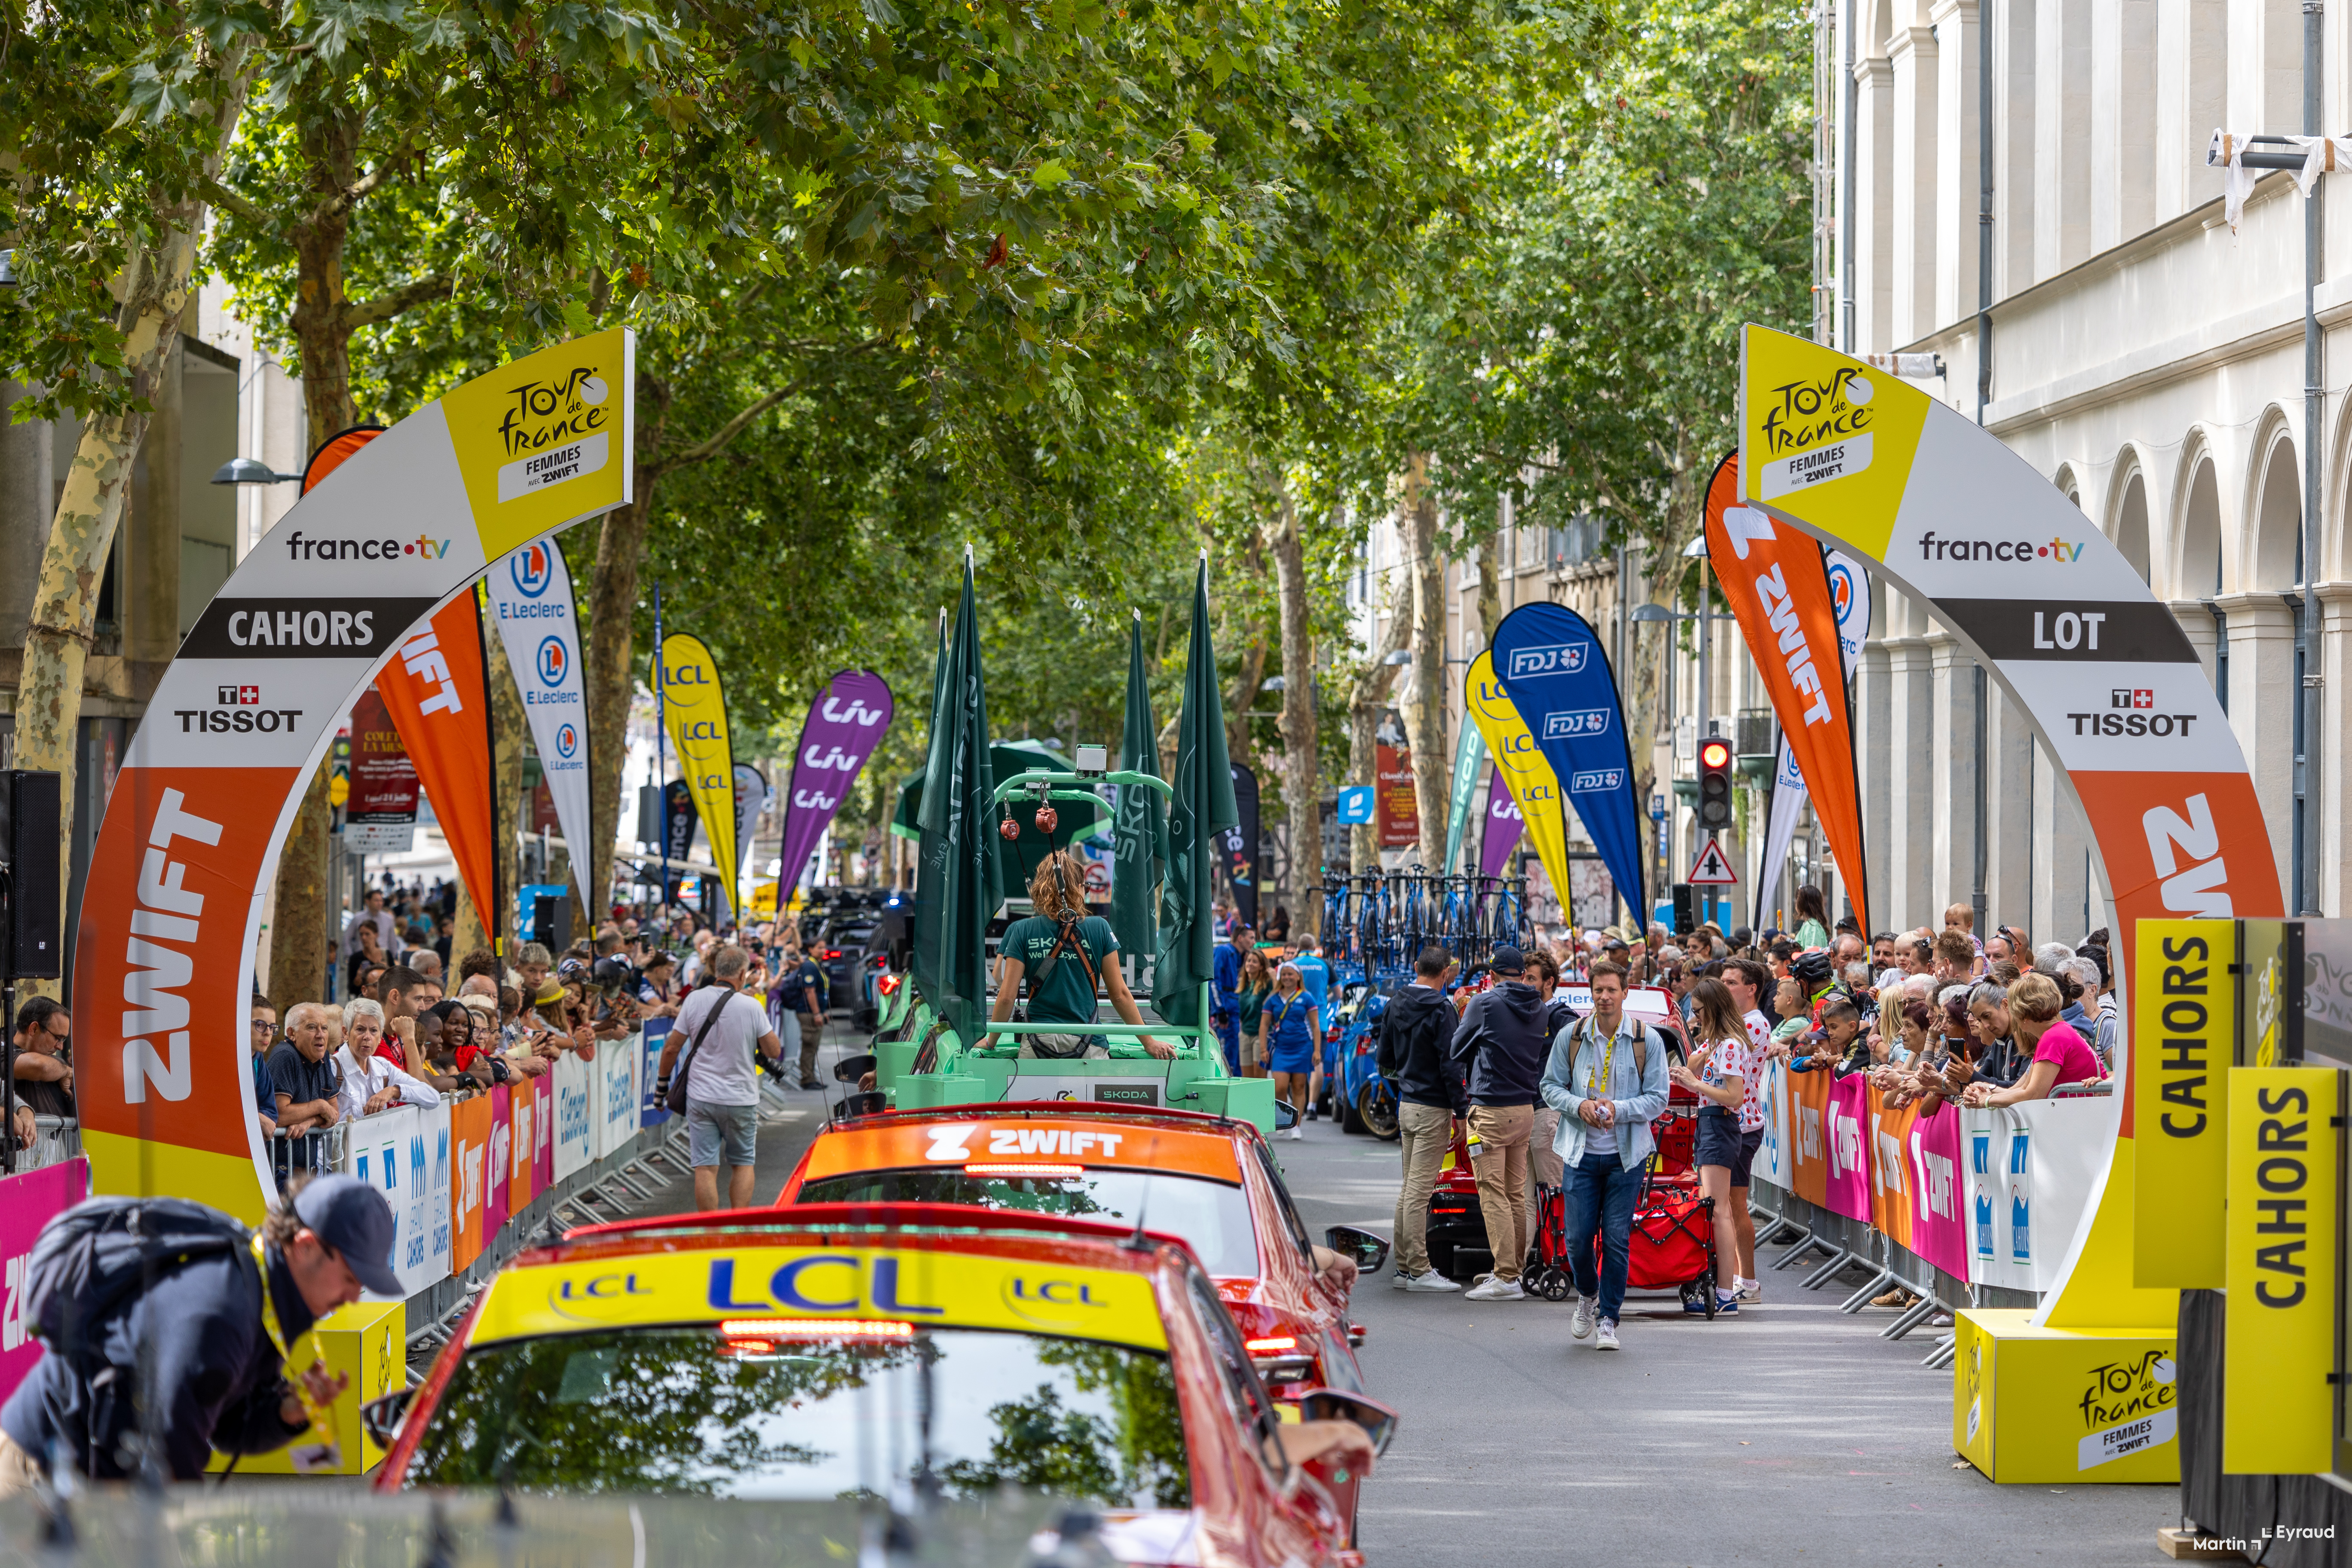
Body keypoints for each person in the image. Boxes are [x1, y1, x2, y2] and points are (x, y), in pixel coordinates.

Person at [0, 1173, 396, 1488]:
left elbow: (227, 1427)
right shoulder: (223, 1311)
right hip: (41, 1471)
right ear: (306, 1245)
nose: (352, 1298)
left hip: (96, 1478)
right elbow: (171, 1452)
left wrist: (284, 1413)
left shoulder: (264, 1293)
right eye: (349, 1277)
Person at [1541, 962, 1670, 1350]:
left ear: (1624, 992)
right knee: (1578, 1240)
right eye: (1598, 990)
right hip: (1580, 1154)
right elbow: (1549, 1086)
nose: (1604, 997)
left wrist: (1619, 1109)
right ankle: (1587, 1295)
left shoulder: (1646, 1040)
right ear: (1591, 993)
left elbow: (1658, 1098)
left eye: (1611, 990)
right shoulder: (1573, 1035)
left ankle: (1609, 1318)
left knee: (1616, 1239)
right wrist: (1579, 1105)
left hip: (1626, 1156)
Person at [983, 852, 1172, 1060]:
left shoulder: (1022, 930)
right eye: (1086, 887)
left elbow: (1006, 997)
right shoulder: (1100, 928)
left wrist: (990, 1042)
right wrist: (1149, 1042)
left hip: (1037, 1044)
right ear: (1077, 889)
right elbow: (1119, 994)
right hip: (1090, 1044)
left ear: (1041, 888)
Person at [1449, 946, 1553, 1302]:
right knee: (1514, 1194)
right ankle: (1514, 1272)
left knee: (1493, 1193)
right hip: (1524, 1108)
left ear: (1493, 975)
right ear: (1523, 974)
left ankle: (1506, 1277)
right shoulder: (1540, 1008)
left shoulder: (1485, 1004)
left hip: (1491, 1108)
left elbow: (1456, 1049)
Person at [657, 943, 785, 1211]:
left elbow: (672, 1047)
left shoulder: (693, 999)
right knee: (742, 1164)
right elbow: (774, 1051)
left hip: (702, 1097)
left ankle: (711, 1231)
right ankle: (738, 1225)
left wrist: (661, 1087)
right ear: (742, 973)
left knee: (705, 1167)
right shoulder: (750, 1006)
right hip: (741, 1098)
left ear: (715, 968)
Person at [1378, 945, 1467, 1291]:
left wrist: (1405, 1076)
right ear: (1446, 974)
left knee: (1408, 1189)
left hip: (1408, 1102)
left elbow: (1384, 1055)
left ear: (1417, 967)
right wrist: (1461, 1111)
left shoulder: (1395, 1001)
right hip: (1432, 1106)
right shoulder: (1443, 1009)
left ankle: (1404, 1267)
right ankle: (1418, 1268)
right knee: (1419, 1191)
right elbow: (1451, 1065)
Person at [1671, 977, 1761, 1317]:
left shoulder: (1732, 1045)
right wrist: (1697, 1060)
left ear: (1712, 1010)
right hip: (1712, 1123)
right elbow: (1691, 1069)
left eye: (1698, 1012)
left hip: (1720, 1122)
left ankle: (1725, 1291)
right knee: (1715, 1206)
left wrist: (1697, 1084)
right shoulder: (1719, 1042)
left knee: (1719, 1208)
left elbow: (1735, 1097)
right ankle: (1723, 1289)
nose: (1694, 1018)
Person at [1963, 972, 2103, 1106]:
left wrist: (1987, 1100)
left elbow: (2033, 1095)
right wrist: (1985, 1092)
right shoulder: (2054, 1033)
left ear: (2021, 1013)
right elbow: (2022, 1088)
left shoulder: (2054, 1037)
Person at [334, 999, 442, 1121]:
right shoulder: (332, 1067)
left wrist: (393, 1091)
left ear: (380, 1037)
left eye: (374, 1031)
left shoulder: (383, 1067)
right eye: (360, 1029)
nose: (367, 1037)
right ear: (346, 1033)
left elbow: (433, 1098)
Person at [1259, 963, 1321, 1139]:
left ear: (1298, 977)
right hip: (1281, 1048)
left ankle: (1296, 1126)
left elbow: (1316, 1026)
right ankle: (1283, 1119)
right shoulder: (1273, 999)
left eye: (1290, 974)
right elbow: (1264, 1025)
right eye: (1284, 974)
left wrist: (1317, 1051)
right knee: (1279, 1087)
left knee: (1299, 1087)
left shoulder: (1307, 998)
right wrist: (1264, 1049)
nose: (1287, 977)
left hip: (1303, 1048)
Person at [268, 1005, 344, 1137]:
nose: (320, 1035)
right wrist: (319, 1107)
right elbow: (277, 1115)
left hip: (308, 1157)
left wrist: (310, 1122)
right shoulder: (285, 1055)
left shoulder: (323, 1057)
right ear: (292, 1033)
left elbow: (334, 1113)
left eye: (324, 1028)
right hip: (279, 1157)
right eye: (312, 1027)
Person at [770, 943, 829, 1087]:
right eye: (819, 947)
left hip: (813, 1011)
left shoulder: (813, 964)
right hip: (808, 1012)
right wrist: (817, 1014)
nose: (823, 951)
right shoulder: (810, 966)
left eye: (824, 948)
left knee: (813, 1045)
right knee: (810, 1044)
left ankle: (811, 1077)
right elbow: (810, 991)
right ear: (811, 949)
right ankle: (808, 1079)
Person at [10, 998, 73, 1123]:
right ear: (34, 1029)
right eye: (58, 1038)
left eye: (63, 1040)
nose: (60, 1047)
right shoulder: (5, 1052)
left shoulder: (55, 1063)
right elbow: (41, 1067)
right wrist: (67, 1072)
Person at [1212, 922, 1255, 1072]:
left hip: (1234, 1013)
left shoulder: (1238, 957)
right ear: (1241, 938)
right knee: (1228, 1056)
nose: (1254, 942)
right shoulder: (1224, 951)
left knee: (1236, 1055)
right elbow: (1213, 981)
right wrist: (1220, 1010)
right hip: (1227, 1015)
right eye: (1251, 938)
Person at [1234, 948, 1276, 1079]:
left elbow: (1276, 997)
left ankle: (1261, 1100)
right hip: (1245, 1033)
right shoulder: (1243, 984)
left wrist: (1274, 977)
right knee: (1246, 1079)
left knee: (1259, 1079)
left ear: (1262, 966)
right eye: (1249, 961)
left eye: (1255, 962)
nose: (1250, 964)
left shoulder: (1266, 983)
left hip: (1261, 1036)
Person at [1791, 885, 1831, 951]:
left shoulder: (1812, 926)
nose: (1796, 903)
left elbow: (1812, 954)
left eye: (1798, 900)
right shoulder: (1810, 924)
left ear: (1803, 903)